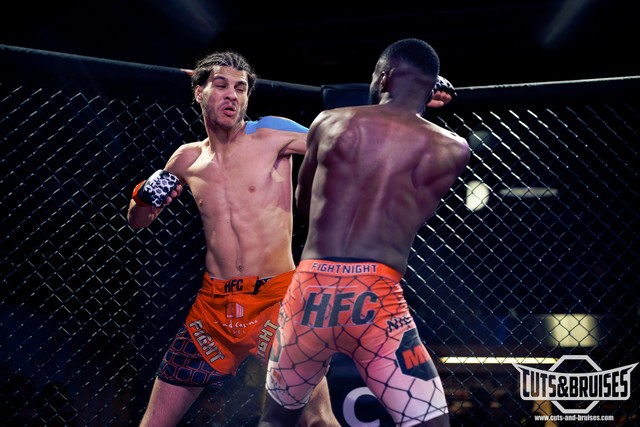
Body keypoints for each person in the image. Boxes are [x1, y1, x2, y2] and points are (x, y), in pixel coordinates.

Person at [259, 38, 470, 427]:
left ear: (384, 77)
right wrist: (422, 98)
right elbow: (414, 214)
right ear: (428, 89)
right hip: (376, 296)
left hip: (310, 291)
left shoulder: (328, 122)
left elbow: (305, 204)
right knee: (432, 423)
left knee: (276, 421)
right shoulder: (452, 149)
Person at [127, 50, 341, 427]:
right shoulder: (187, 158)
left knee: (318, 420)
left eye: (240, 88)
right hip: (214, 308)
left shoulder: (273, 133)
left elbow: (342, 143)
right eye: (221, 85)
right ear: (200, 92)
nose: (232, 95)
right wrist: (143, 195)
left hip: (277, 300)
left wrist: (405, 103)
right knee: (154, 422)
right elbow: (138, 221)